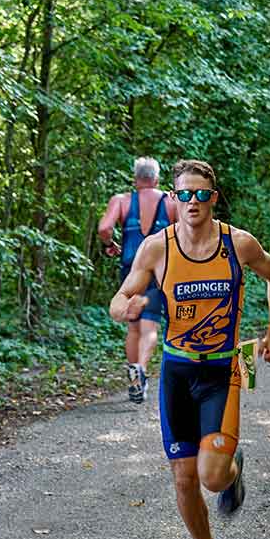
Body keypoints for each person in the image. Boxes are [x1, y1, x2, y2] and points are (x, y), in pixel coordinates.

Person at [109, 159, 270, 539]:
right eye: (184, 194)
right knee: (184, 478)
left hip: (227, 365)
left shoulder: (238, 243)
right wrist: (123, 309)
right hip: (176, 369)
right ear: (173, 199)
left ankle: (231, 466)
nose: (192, 202)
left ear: (214, 197)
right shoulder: (157, 247)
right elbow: (120, 297)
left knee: (211, 477)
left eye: (201, 194)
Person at [98, 157, 177, 402]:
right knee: (149, 326)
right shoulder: (171, 202)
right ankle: (140, 370)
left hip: (130, 271)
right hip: (158, 272)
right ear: (156, 178)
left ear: (135, 178)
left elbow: (104, 228)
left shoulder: (122, 201)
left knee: (133, 327)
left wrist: (111, 244)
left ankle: (134, 373)